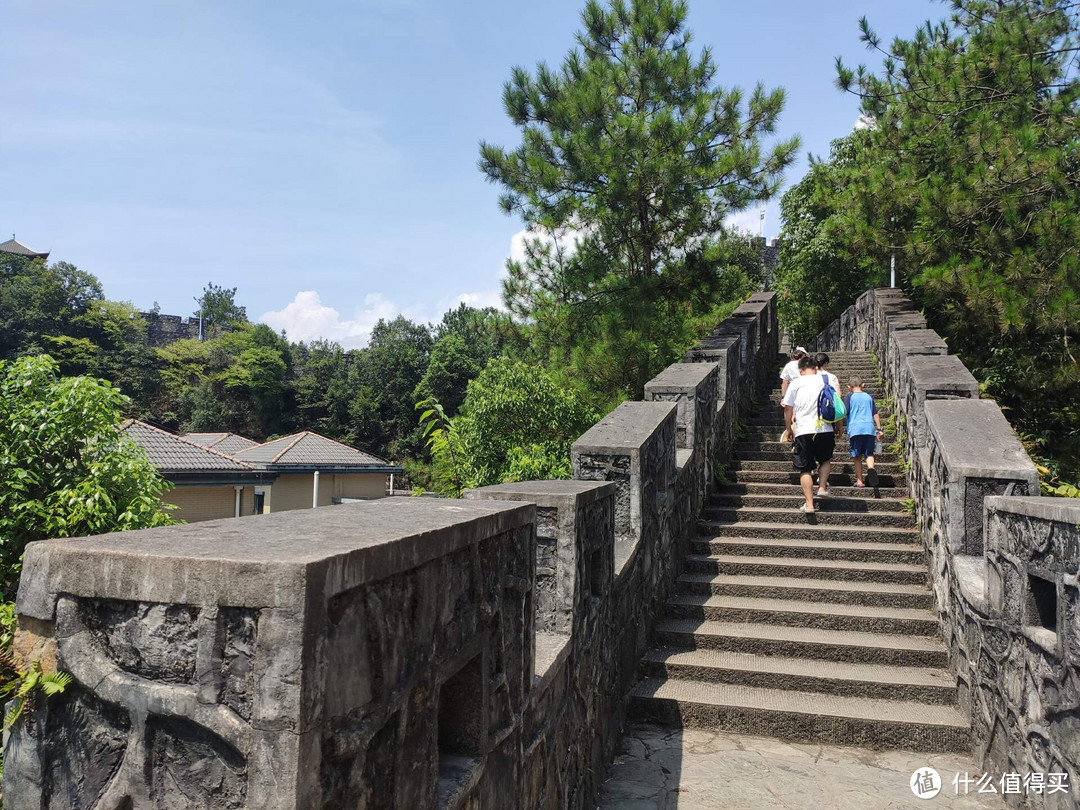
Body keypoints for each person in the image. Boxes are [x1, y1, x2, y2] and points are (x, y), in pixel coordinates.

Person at [781, 355, 834, 512]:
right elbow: (835, 404)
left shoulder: (796, 383)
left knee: (805, 469)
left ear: (800, 370)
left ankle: (809, 504)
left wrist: (789, 428)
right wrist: (838, 426)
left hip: (804, 430)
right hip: (825, 429)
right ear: (816, 368)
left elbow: (788, 408)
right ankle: (822, 487)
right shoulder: (825, 380)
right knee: (825, 460)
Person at [843, 375, 883, 488]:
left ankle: (860, 481)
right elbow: (875, 413)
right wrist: (879, 429)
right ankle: (871, 468)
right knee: (869, 453)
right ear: (863, 385)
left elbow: (844, 412)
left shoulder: (849, 397)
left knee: (856, 456)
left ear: (849, 386)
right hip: (869, 429)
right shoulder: (868, 397)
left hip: (855, 429)